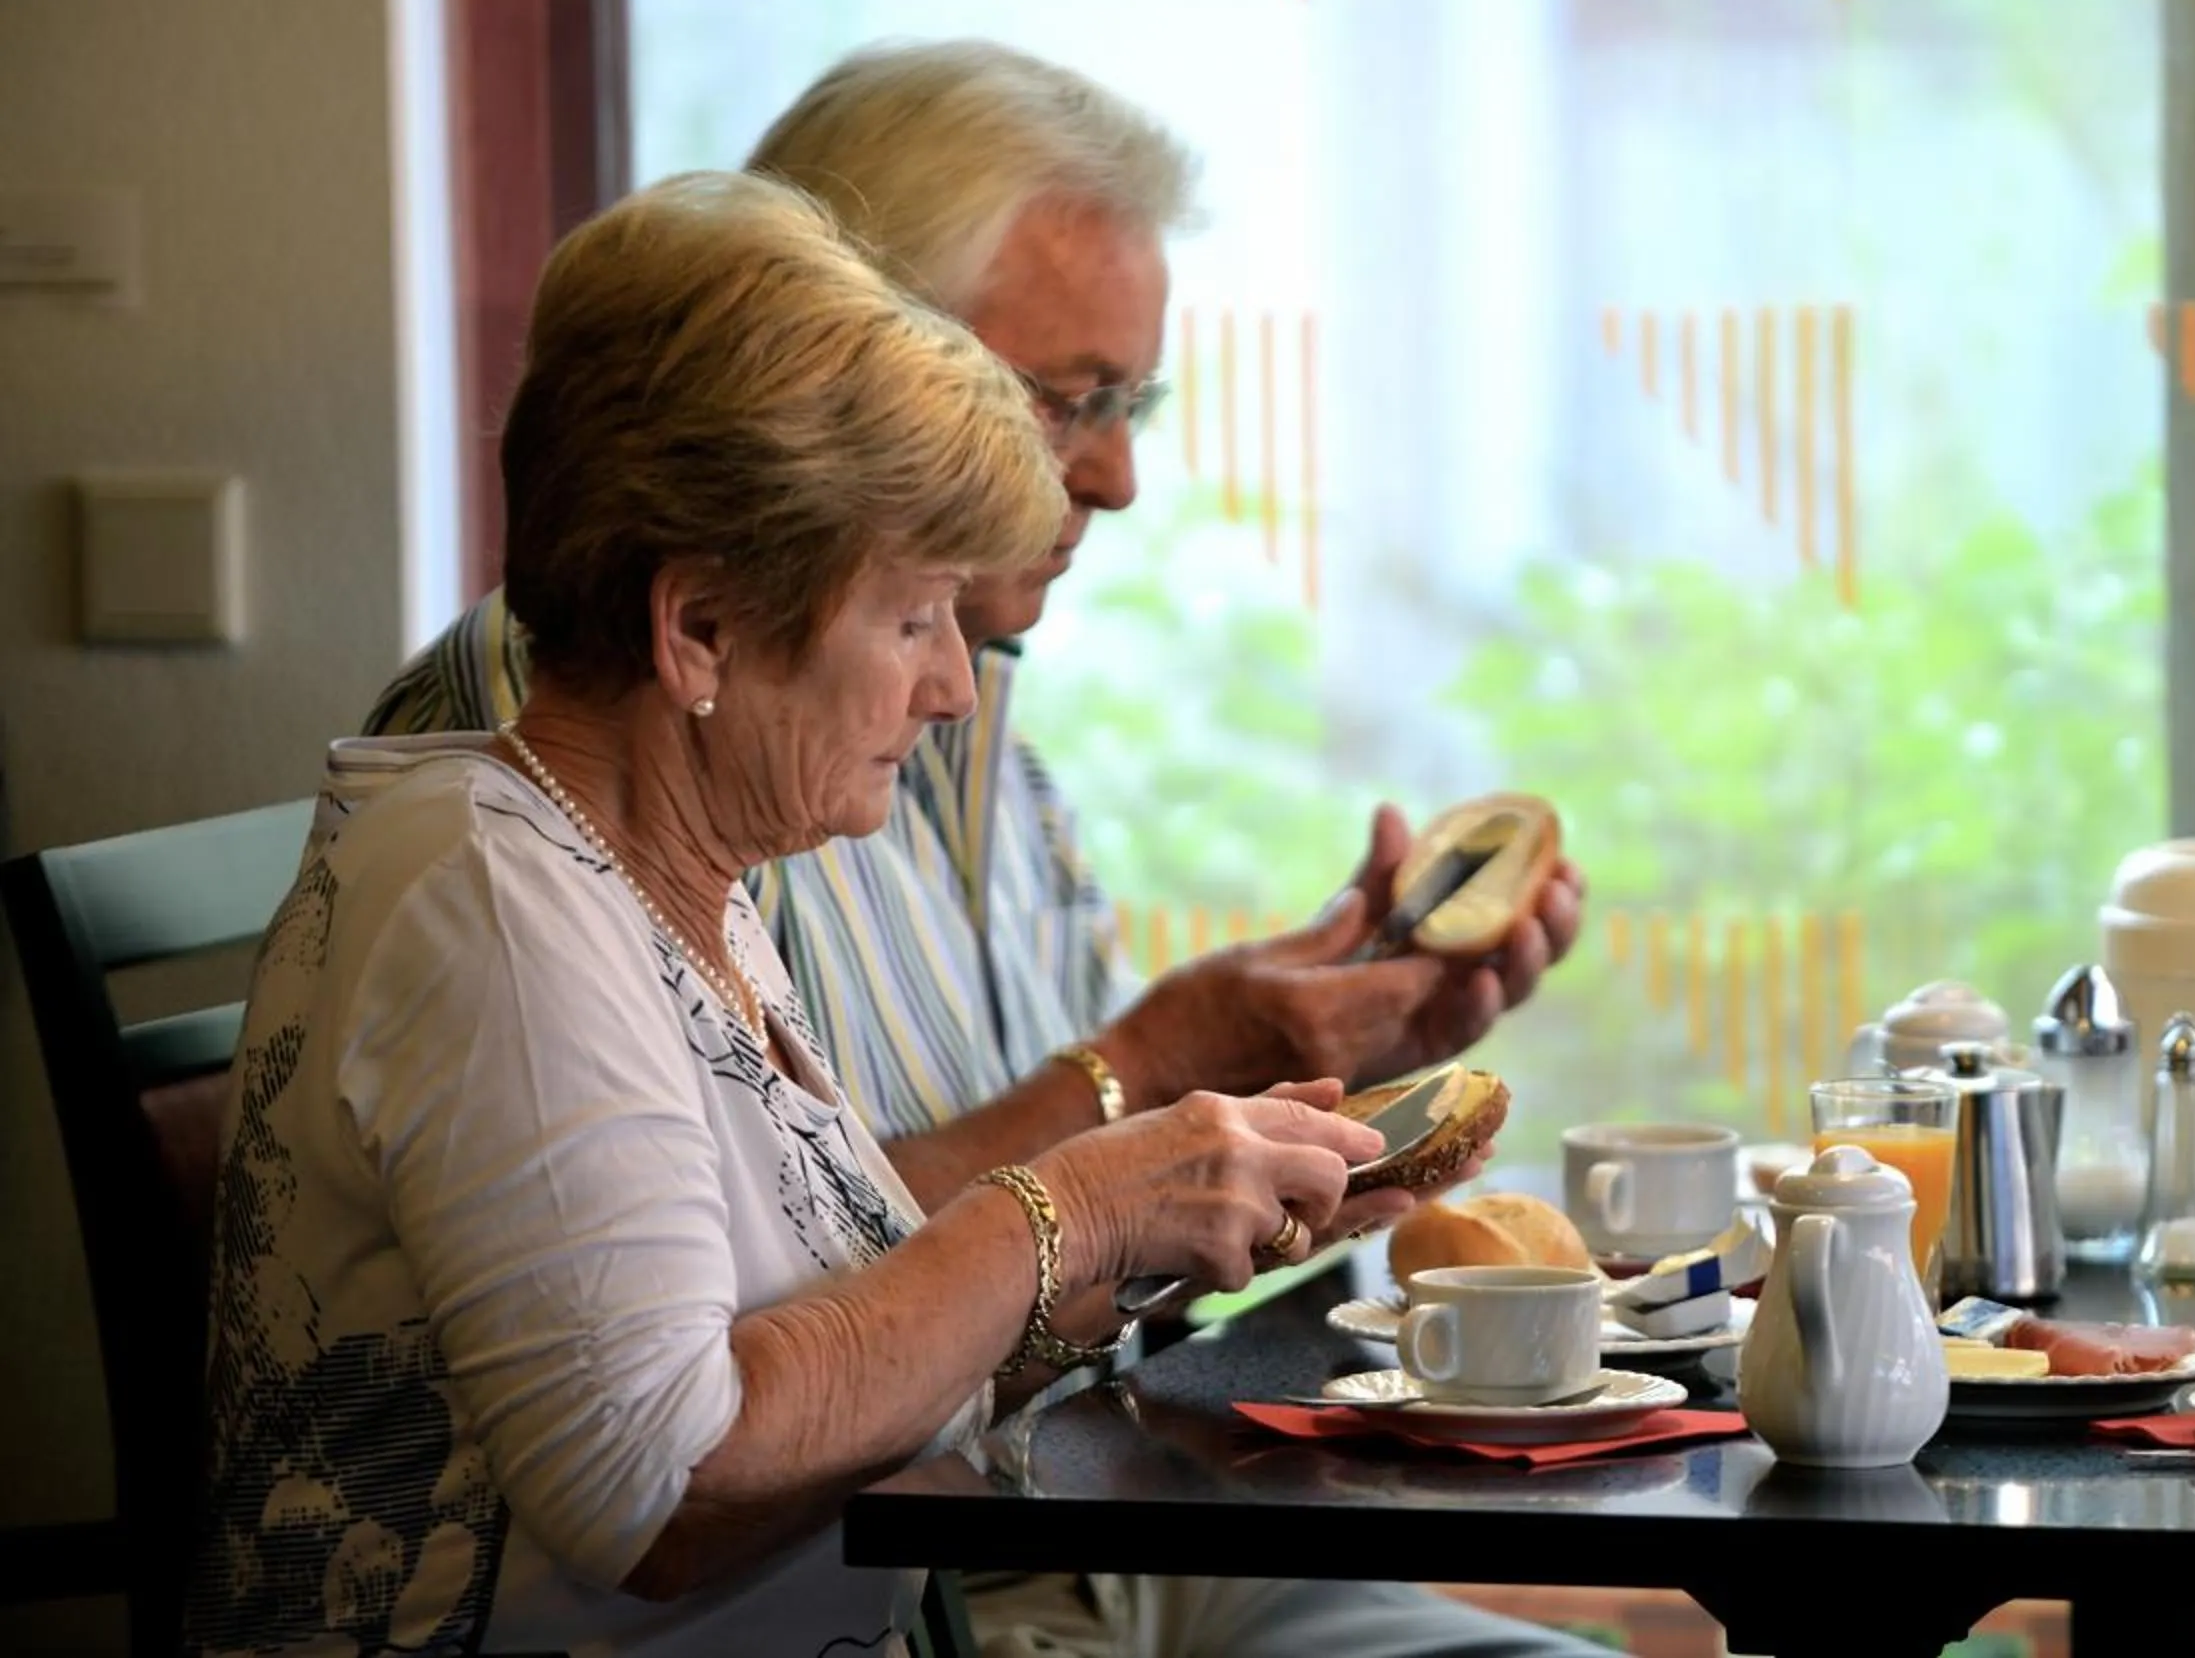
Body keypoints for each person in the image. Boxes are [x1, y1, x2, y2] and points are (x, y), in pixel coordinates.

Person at [362, 43, 1602, 1658]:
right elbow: (697, 1416)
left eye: (1131, 401)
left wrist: (1276, 1124)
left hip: (1056, 1514)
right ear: (848, 360)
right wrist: (1139, 1102)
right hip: (937, 1575)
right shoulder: (593, 770)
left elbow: (926, 1287)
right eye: (1071, 398)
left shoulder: (933, 725)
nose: (1115, 473)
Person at [189, 171, 1410, 1657]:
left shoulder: (669, 882)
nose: (955, 686)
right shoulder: (492, 899)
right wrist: (1075, 1201)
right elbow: (664, 1484)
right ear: (697, 625)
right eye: (911, 619)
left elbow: (843, 1383)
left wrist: (1163, 1235)